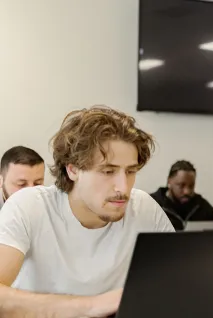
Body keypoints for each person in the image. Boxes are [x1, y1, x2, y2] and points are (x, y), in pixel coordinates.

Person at [0, 105, 174, 317]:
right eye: (108, 171)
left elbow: (179, 284)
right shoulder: (29, 206)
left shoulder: (144, 208)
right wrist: (93, 306)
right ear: (73, 169)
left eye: (130, 171)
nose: (123, 187)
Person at [151, 160, 213, 230]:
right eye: (181, 185)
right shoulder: (152, 205)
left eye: (191, 186)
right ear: (169, 181)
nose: (187, 192)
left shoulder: (204, 208)